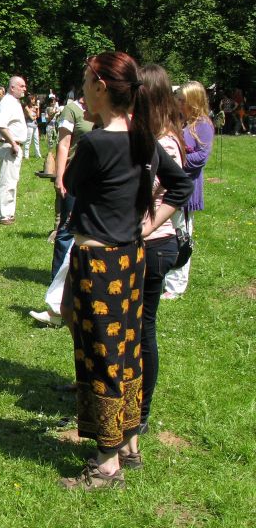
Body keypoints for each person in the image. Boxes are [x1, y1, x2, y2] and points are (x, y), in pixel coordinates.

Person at [59, 52, 191, 490]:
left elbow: (71, 186)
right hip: (130, 258)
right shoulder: (141, 136)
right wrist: (149, 223)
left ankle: (107, 462)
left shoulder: (96, 143)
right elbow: (181, 183)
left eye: (85, 81)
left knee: (101, 357)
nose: (81, 90)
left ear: (100, 87)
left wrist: (148, 221)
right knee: (127, 349)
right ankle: (129, 443)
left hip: (99, 265)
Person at [136, 64, 187, 436]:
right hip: (145, 243)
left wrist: (147, 226)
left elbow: (174, 191)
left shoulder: (165, 141)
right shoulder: (149, 135)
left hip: (153, 246)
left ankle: (140, 413)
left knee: (143, 330)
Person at [29, 93, 94, 327]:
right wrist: (61, 175)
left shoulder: (106, 111)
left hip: (95, 182)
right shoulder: (72, 110)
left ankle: (72, 295)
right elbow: (64, 143)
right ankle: (57, 284)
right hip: (75, 178)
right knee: (67, 229)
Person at [162, 81, 214, 300]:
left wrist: (176, 160)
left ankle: (176, 286)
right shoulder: (184, 122)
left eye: (183, 100)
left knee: (181, 237)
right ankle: (166, 277)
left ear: (193, 101)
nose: (179, 103)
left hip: (187, 189)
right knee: (170, 233)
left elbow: (201, 157)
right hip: (173, 185)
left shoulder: (203, 124)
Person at [0, 76, 27, 225]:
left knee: (12, 181)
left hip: (12, 146)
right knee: (7, 181)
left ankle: (8, 213)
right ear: (12, 87)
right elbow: (1, 125)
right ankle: (3, 215)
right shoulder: (8, 102)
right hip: (9, 147)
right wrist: (13, 143)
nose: (24, 89)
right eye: (22, 86)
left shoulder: (13, 102)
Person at [23, 94, 41, 158]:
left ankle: (38, 155)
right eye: (32, 99)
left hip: (35, 125)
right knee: (28, 140)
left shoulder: (34, 107)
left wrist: (38, 108)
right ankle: (26, 156)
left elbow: (38, 116)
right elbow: (31, 118)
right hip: (29, 125)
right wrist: (34, 115)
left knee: (37, 140)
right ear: (29, 100)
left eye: (34, 99)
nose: (34, 100)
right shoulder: (26, 107)